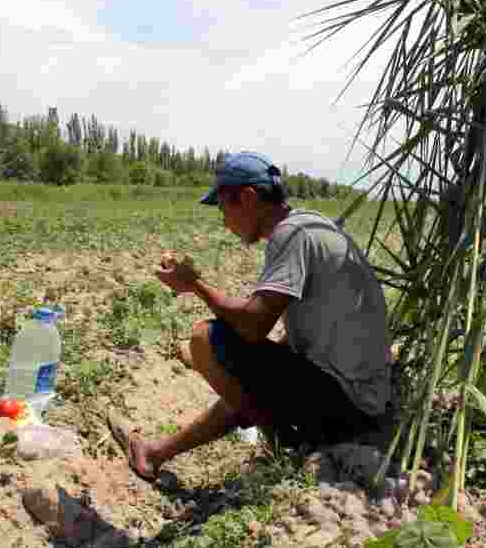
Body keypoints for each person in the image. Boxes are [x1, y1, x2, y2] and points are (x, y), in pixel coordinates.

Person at [107, 151, 393, 481]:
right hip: (364, 402)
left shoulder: (292, 235)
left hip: (348, 406)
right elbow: (293, 343)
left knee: (205, 340)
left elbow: (254, 325)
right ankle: (157, 453)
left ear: (248, 198)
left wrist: (194, 285)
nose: (224, 222)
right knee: (244, 384)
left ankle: (288, 446)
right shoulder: (311, 226)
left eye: (224, 208)